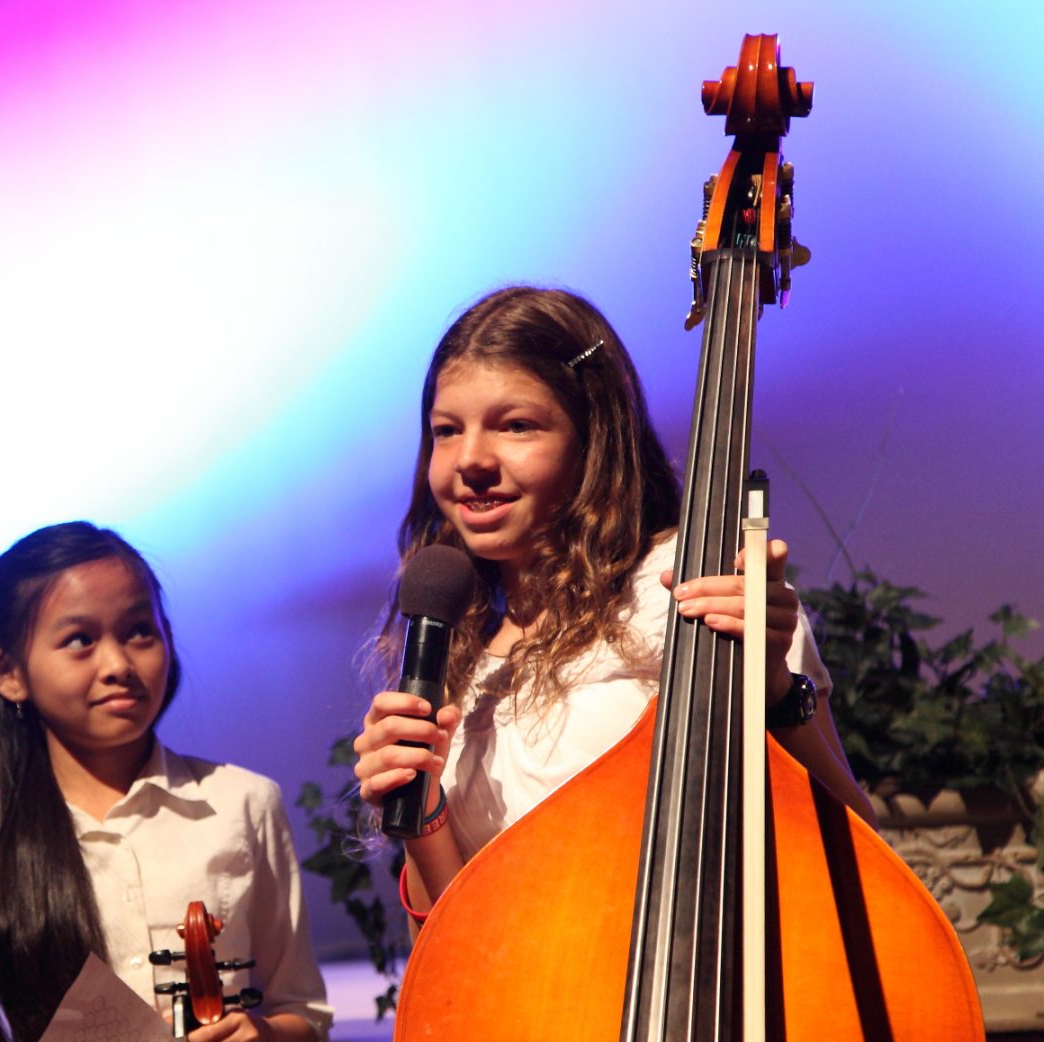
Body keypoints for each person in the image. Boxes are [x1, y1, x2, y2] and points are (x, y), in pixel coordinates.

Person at [351, 286, 877, 919]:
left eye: (516, 425)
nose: (470, 460)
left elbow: (856, 844)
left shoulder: (683, 586)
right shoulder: (453, 648)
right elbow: (453, 953)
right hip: (526, 1010)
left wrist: (772, 685)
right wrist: (421, 817)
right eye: (446, 430)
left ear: (592, 440)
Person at [0, 521, 332, 1042]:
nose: (119, 664)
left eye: (140, 631)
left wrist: (266, 1041)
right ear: (8, 672)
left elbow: (303, 1019)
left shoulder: (243, 805)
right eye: (80, 640)